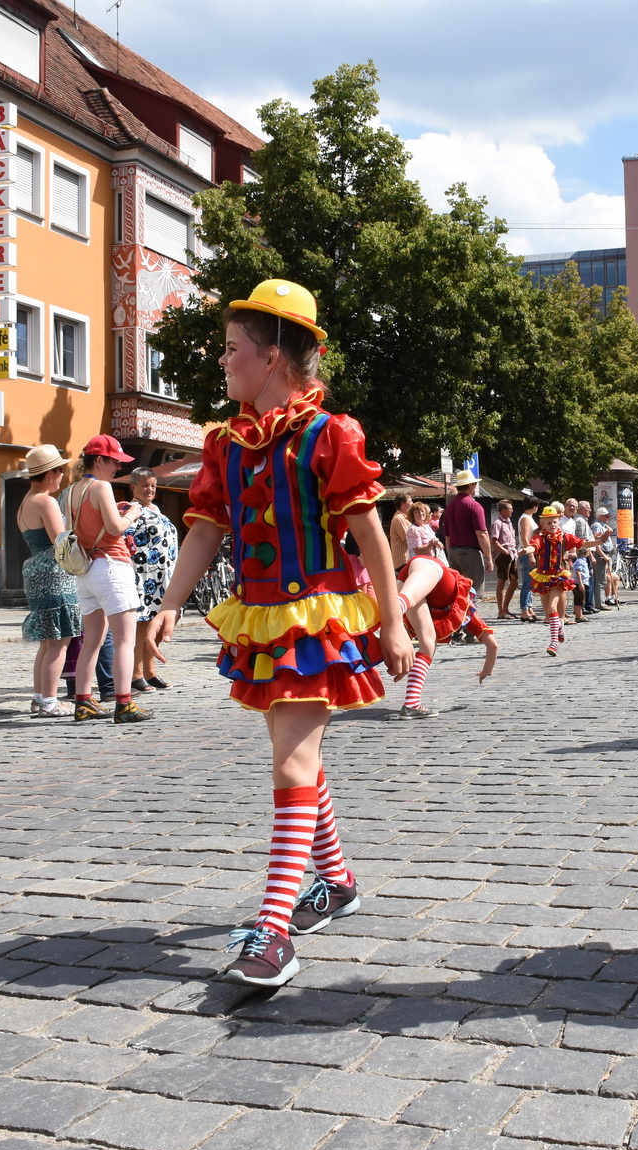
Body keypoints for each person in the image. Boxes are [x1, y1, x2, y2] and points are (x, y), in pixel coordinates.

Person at [153, 279, 411, 988]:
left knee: (292, 760)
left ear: (271, 357)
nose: (223, 362)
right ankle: (339, 881)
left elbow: (371, 536)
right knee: (294, 752)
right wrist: (170, 603)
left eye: (232, 350)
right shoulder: (224, 444)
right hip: (261, 615)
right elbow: (206, 528)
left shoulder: (333, 435)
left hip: (317, 616)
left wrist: (392, 622)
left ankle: (273, 935)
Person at [66, 435, 151, 723]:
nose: (117, 467)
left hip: (87, 569)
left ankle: (83, 701)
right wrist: (134, 513)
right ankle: (124, 703)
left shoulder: (71, 490)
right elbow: (115, 529)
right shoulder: (101, 487)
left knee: (92, 640)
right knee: (125, 640)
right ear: (99, 460)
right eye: (114, 461)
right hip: (112, 566)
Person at [395, 552, 500, 719]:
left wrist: (403, 662)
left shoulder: (462, 608)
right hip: (431, 568)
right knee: (403, 609)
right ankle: (385, 618)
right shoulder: (466, 610)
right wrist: (486, 671)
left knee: (428, 643)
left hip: (413, 576)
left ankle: (411, 703)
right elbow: (493, 645)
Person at [16, 444, 80, 717]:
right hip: (54, 573)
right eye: (60, 471)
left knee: (48, 640)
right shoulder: (45, 500)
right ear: (52, 472)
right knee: (59, 641)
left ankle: (40, 697)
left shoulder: (26, 502)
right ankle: (50, 701)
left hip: (35, 573)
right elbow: (61, 540)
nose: (63, 476)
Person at [125, 466, 179, 694]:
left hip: (161, 577)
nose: (150, 490)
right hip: (143, 576)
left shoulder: (155, 509)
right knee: (141, 625)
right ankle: (135, 674)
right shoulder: (130, 509)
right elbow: (124, 538)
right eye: (145, 485)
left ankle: (150, 671)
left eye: (153, 486)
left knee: (155, 626)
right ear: (133, 486)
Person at [529, 502, 587, 656]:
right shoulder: (539, 537)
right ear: (543, 524)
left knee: (552, 608)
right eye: (549, 522)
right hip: (542, 576)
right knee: (549, 616)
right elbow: (534, 546)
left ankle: (553, 642)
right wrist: (526, 550)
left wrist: (600, 541)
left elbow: (582, 543)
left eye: (555, 521)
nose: (553, 525)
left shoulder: (563, 537)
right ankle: (560, 625)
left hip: (557, 577)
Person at [443, 469, 493, 612]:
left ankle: (457, 630)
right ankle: (471, 631)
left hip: (453, 551)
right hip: (470, 553)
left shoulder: (450, 506)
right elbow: (482, 534)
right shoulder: (474, 505)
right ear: (470, 485)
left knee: (458, 594)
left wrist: (450, 553)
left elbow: (447, 536)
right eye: (474, 484)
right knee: (473, 593)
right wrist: (489, 558)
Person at [515, 497, 541, 622]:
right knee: (527, 581)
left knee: (531, 581)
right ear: (534, 506)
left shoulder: (529, 517)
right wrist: (530, 555)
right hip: (527, 552)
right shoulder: (525, 518)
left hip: (532, 551)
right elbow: (525, 538)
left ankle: (529, 607)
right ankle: (524, 609)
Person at [491, 499, 517, 619]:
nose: (512, 511)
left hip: (512, 554)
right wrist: (504, 551)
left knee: (514, 582)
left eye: (512, 509)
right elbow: (494, 541)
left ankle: (505, 608)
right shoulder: (497, 523)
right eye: (509, 509)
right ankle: (501, 611)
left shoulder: (509, 522)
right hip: (503, 555)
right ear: (502, 510)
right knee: (502, 582)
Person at [387, 493, 412, 571]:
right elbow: (408, 539)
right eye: (410, 501)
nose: (412, 503)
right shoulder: (399, 519)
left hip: (406, 560)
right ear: (403, 504)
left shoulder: (404, 518)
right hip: (403, 561)